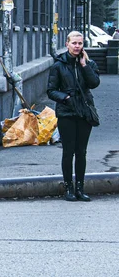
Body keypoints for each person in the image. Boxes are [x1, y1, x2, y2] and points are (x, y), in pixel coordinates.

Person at [47, 31, 100, 201]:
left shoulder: (88, 63)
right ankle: (68, 187)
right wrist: (66, 98)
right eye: (74, 43)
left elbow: (94, 83)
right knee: (68, 151)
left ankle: (80, 188)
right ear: (67, 43)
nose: (77, 46)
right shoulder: (58, 65)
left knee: (81, 151)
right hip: (67, 111)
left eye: (80, 43)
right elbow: (51, 90)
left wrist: (84, 65)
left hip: (84, 111)